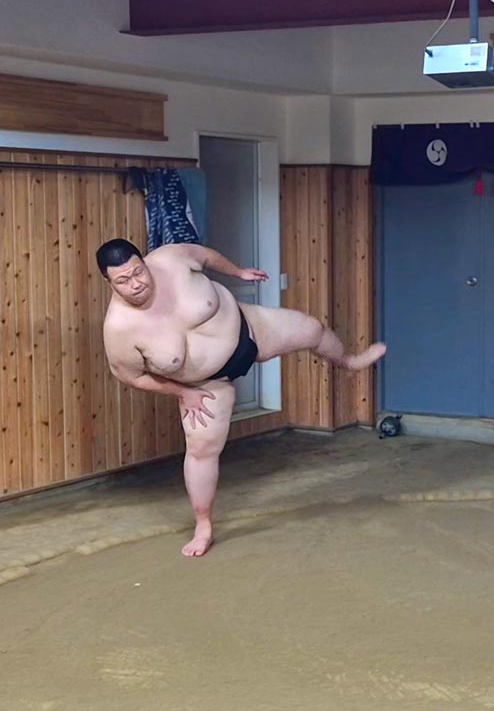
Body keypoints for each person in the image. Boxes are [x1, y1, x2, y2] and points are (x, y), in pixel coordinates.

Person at [97, 239, 386, 558]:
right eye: (123, 280)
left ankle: (348, 361)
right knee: (202, 451)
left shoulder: (172, 258)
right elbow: (132, 377)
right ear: (108, 282)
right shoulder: (119, 330)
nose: (136, 283)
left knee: (312, 329)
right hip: (206, 384)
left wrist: (239, 272)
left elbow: (205, 256)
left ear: (144, 262)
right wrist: (183, 392)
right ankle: (203, 525)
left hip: (250, 329)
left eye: (138, 271)